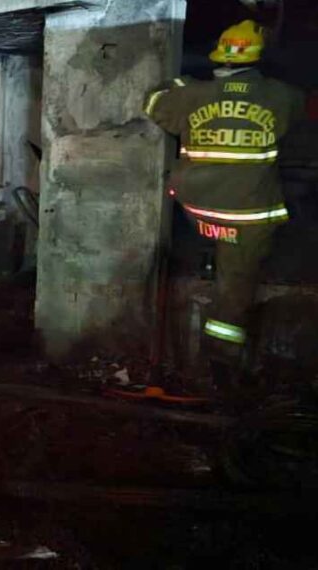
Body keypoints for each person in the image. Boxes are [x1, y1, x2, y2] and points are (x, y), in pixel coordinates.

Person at [144, 19, 306, 386]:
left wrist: (182, 81)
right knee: (235, 285)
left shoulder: (190, 95)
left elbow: (153, 101)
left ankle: (207, 256)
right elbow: (301, 110)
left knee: (212, 240)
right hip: (247, 216)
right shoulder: (280, 95)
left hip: (195, 209)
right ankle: (221, 365)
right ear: (260, 57)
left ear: (219, 53)